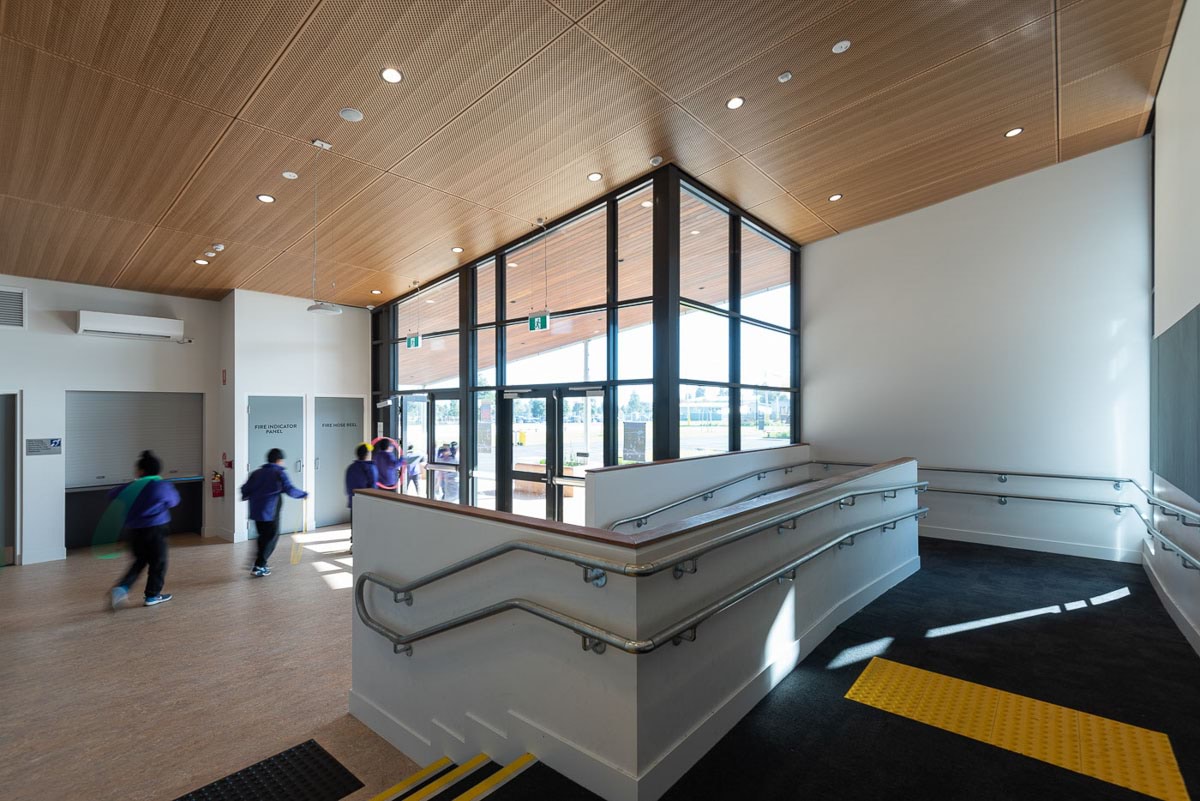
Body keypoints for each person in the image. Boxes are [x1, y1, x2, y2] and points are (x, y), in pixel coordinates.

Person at [109, 450, 180, 609]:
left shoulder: (132, 486)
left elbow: (112, 494)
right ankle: (152, 595)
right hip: (156, 530)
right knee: (158, 562)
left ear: (140, 471)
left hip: (134, 531)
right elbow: (174, 500)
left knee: (140, 561)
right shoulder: (161, 486)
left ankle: (121, 588)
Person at [240, 448, 307, 577]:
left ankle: (260, 564)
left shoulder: (256, 473)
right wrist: (303, 494)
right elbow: (290, 489)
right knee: (271, 538)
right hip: (270, 511)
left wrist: (247, 496)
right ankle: (259, 565)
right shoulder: (278, 473)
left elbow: (245, 489)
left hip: (256, 510)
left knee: (262, 537)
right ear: (279, 460)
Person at [345, 443, 379, 533]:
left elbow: (348, 487)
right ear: (367, 454)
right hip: (366, 503)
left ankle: (354, 542)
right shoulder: (370, 467)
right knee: (367, 528)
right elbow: (373, 487)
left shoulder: (351, 468)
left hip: (353, 501)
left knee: (355, 526)